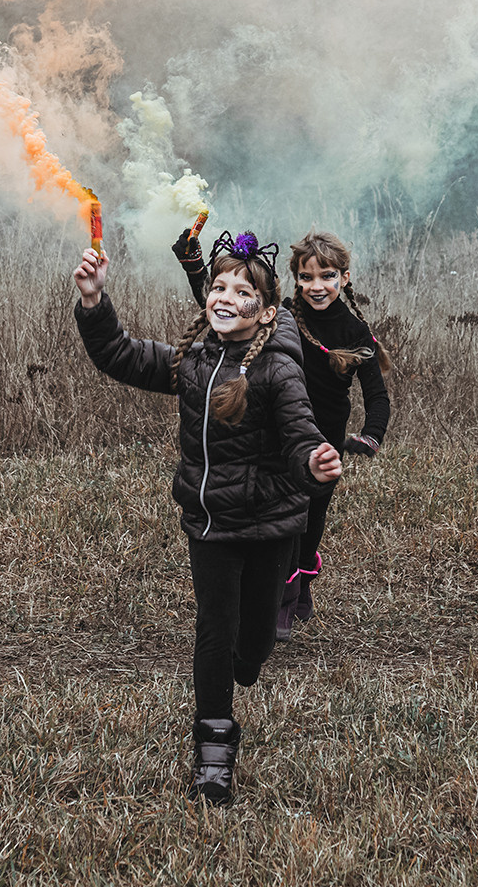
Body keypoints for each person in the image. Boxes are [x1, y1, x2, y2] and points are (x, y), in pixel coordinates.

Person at [74, 230, 342, 805]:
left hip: (271, 525)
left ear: (266, 311)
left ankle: (250, 660)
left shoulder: (278, 370)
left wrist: (313, 461)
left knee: (255, 644)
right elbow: (119, 354)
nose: (224, 296)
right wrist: (95, 302)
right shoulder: (191, 363)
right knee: (214, 632)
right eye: (217, 286)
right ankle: (214, 756)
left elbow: (299, 432)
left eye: (241, 290)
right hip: (211, 524)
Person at [173, 228, 390, 641]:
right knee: (283, 526)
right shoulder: (284, 316)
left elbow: (377, 396)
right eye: (306, 278)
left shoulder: (356, 333)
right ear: (294, 281)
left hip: (323, 441)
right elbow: (230, 306)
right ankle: (281, 603)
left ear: (344, 278)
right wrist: (193, 264)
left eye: (326, 276)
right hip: (278, 437)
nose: (316, 286)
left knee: (310, 527)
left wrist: (370, 436)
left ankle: (301, 584)